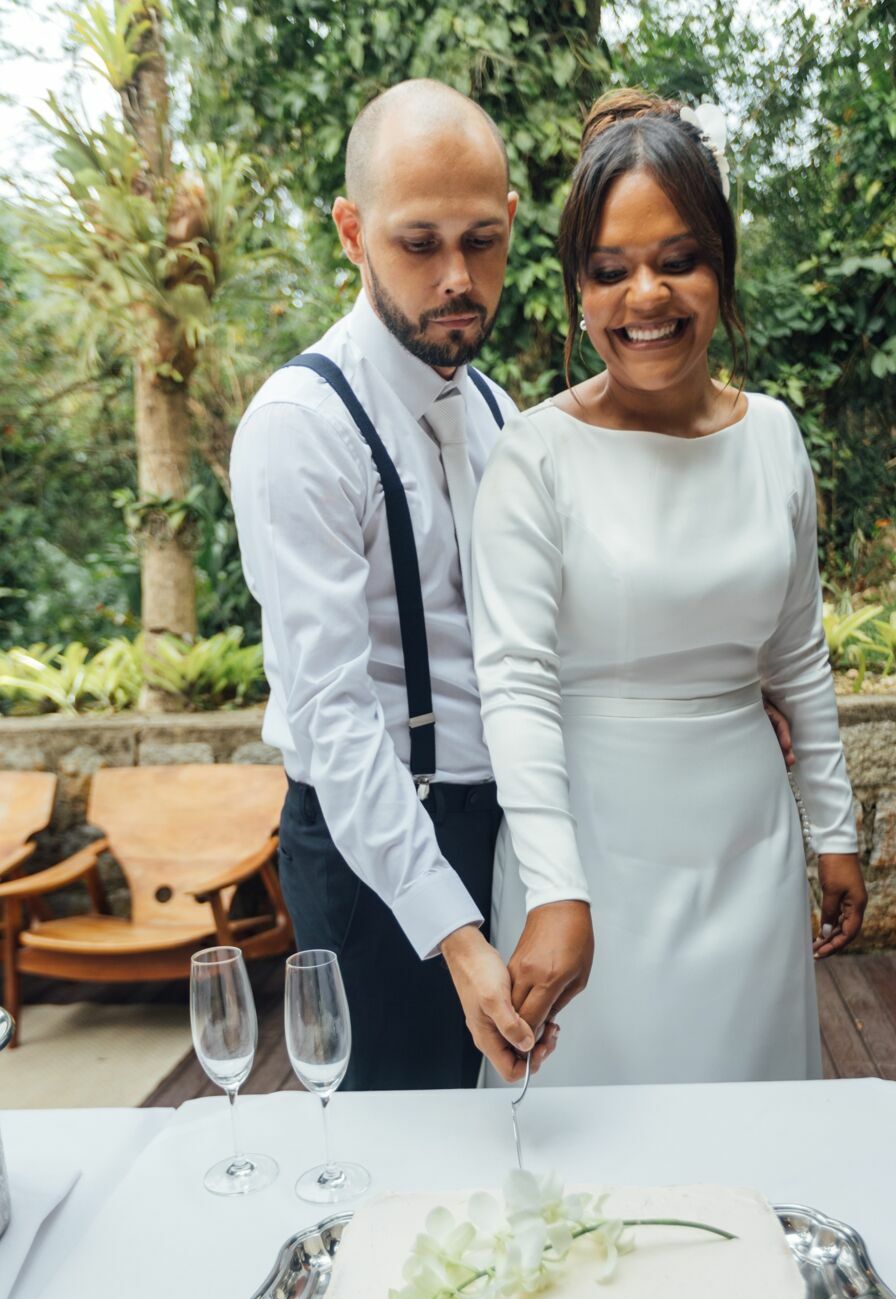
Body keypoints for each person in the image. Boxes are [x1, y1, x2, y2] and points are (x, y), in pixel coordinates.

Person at [232, 78, 795, 1092]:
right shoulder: (298, 428)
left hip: (505, 825)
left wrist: (712, 681)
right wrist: (451, 932)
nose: (456, 276)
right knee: (395, 1145)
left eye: (480, 241)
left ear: (512, 227)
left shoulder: (497, 414)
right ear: (351, 230)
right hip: (377, 846)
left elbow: (544, 625)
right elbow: (332, 716)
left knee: (507, 1138)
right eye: (417, 243)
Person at [471, 89, 867, 1086]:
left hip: (744, 849)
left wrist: (833, 831)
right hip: (586, 855)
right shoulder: (533, 455)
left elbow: (796, 657)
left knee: (749, 1132)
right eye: (609, 271)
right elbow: (512, 686)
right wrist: (556, 890)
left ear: (719, 264)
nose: (644, 295)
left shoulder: (771, 436)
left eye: (675, 259)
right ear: (577, 291)